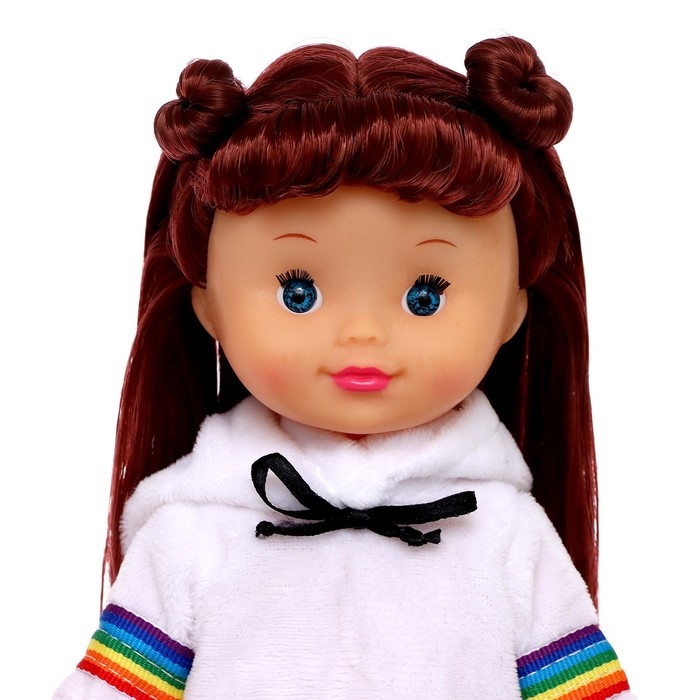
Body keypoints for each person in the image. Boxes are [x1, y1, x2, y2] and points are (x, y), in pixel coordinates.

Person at [54, 36, 634, 699]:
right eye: (297, 293)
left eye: (426, 296)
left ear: (511, 312)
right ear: (209, 306)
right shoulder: (193, 532)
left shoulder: (503, 532)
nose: (363, 333)